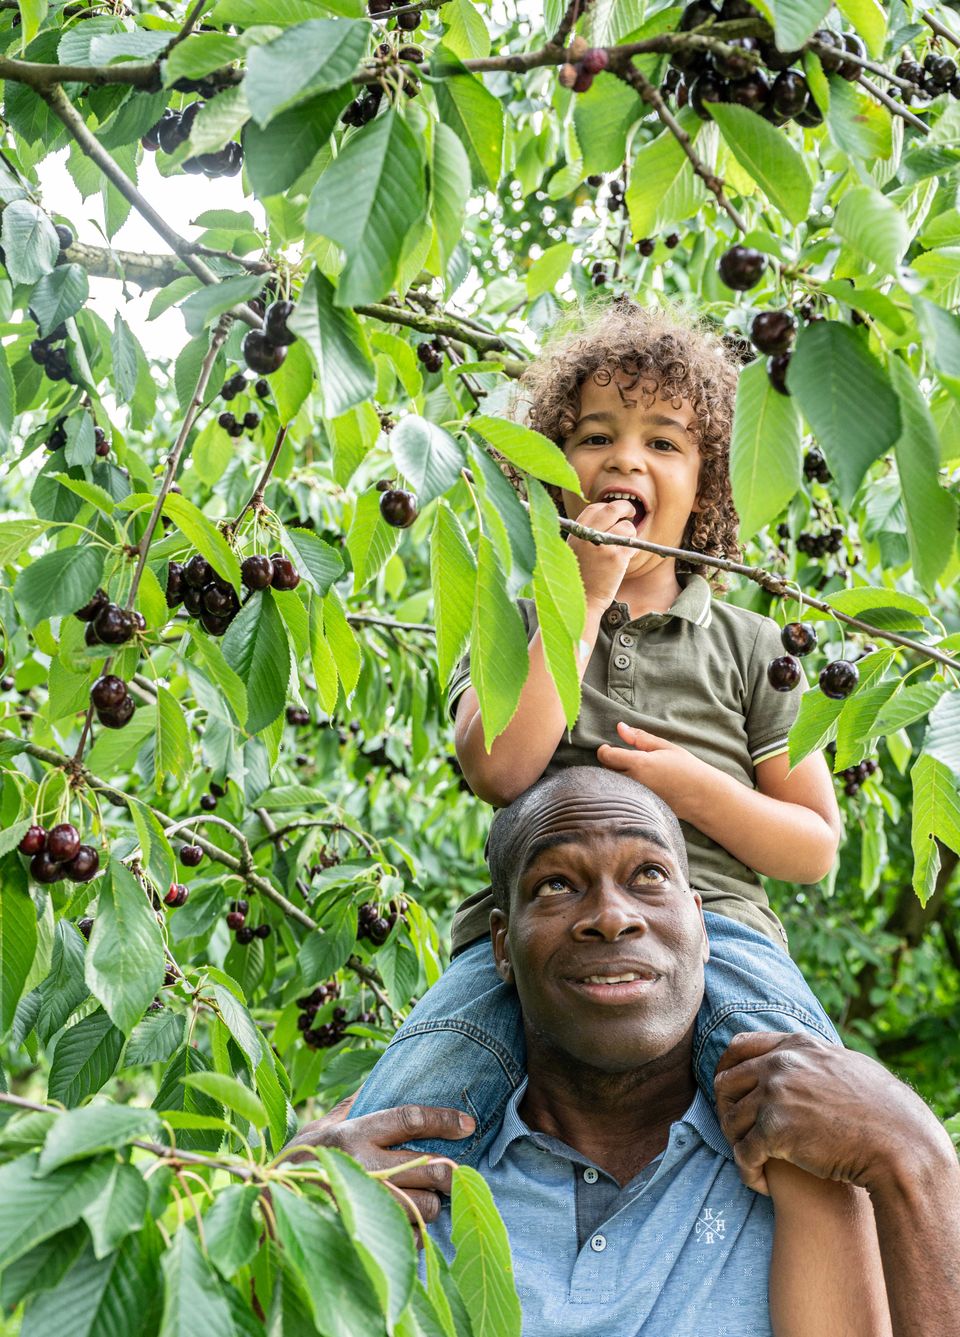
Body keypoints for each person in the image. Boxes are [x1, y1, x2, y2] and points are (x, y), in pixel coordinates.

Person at [349, 301, 843, 1161]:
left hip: (719, 927)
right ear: (552, 476)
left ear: (707, 485)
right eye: (594, 438)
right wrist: (578, 601)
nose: (625, 458)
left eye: (663, 442)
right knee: (409, 1104)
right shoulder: (519, 619)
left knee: (810, 1107)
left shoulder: (755, 644)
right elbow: (500, 768)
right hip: (532, 938)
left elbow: (813, 847)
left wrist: (695, 789)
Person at [289, 770, 960, 1335]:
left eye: (648, 875)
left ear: (703, 925)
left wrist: (918, 1159)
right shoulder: (390, 1172)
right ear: (500, 944)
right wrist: (284, 1224)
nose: (611, 915)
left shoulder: (824, 1172)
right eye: (555, 884)